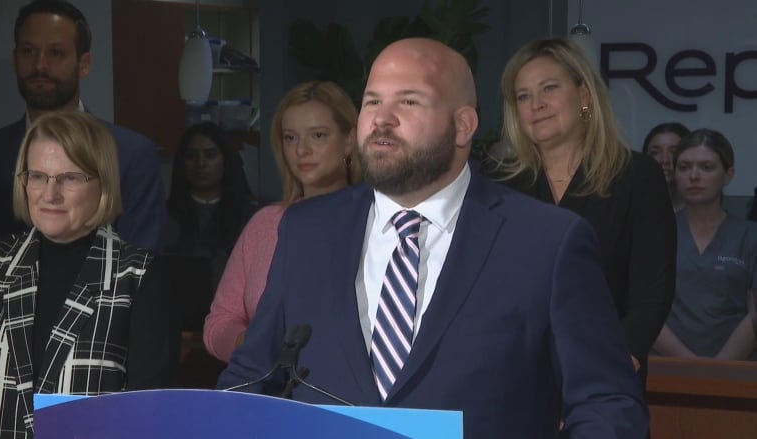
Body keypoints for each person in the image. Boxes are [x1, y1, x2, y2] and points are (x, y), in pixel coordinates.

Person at [217, 38, 647, 438]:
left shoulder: (547, 242)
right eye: (372, 101)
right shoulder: (307, 230)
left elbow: (608, 404)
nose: (382, 119)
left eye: (408, 101)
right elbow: (252, 377)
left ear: (463, 126)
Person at [487, 37, 676, 385]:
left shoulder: (637, 176)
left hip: (606, 380)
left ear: (584, 95)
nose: (536, 105)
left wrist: (599, 376)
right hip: (516, 382)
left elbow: (652, 297)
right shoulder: (498, 183)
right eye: (523, 96)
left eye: (549, 89)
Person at [0, 111, 174, 438]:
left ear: (103, 183)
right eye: (38, 176)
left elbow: (149, 417)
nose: (49, 194)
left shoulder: (137, 276)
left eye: (69, 178)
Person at [0, 0, 165, 252]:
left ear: (84, 64)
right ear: (15, 59)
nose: (40, 65)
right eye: (29, 51)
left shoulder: (132, 155)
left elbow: (142, 265)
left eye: (56, 53)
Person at [203, 81, 362, 362]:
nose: (302, 150)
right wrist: (254, 345)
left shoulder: (378, 222)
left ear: (349, 140)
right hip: (270, 392)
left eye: (318, 136)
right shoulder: (265, 224)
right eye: (290, 138)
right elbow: (219, 323)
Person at [654, 129, 757, 360]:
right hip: (666, 371)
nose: (693, 176)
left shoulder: (750, 237)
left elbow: (754, 316)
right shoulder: (654, 232)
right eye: (684, 167)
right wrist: (691, 365)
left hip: (737, 373)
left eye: (706, 167)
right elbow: (644, 309)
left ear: (728, 174)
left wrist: (718, 369)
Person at [165, 121, 256, 295]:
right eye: (191, 156)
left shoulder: (249, 216)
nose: (200, 164)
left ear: (226, 159)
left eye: (210, 155)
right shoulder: (165, 216)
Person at [642, 122, 691, 211]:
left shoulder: (715, 208)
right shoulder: (631, 207)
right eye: (655, 153)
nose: (664, 160)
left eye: (674, 152)